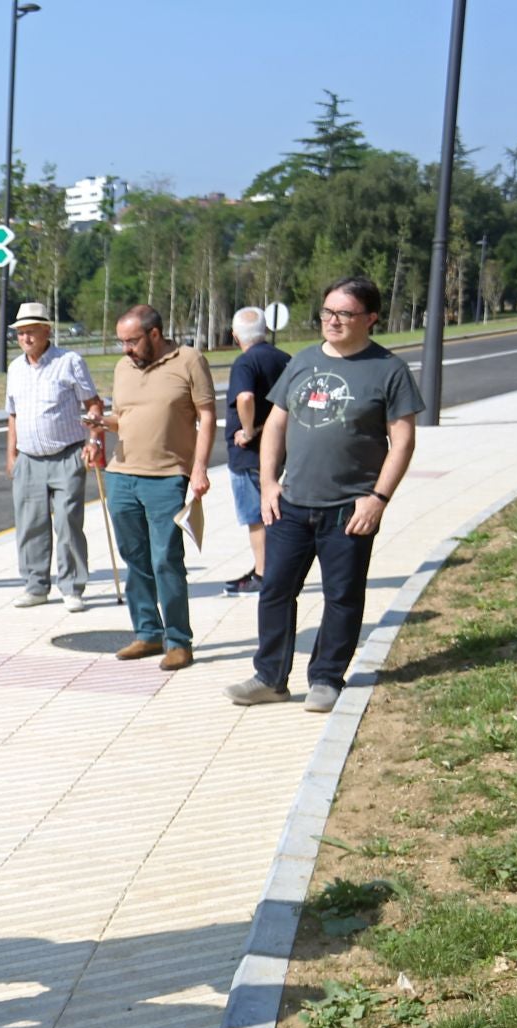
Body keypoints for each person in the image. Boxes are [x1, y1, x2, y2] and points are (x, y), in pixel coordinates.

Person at [226, 275, 421, 715]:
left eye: (344, 313)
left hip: (349, 508)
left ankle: (327, 678)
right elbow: (276, 422)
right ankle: (270, 678)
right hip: (292, 503)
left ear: (370, 318)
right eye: (327, 312)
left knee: (342, 596)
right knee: (274, 590)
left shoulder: (389, 369)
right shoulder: (304, 361)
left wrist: (378, 498)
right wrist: (269, 482)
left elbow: (403, 441)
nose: (332, 321)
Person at [85, 305, 215, 670]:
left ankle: (179, 640)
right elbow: (122, 418)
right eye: (121, 341)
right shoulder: (123, 368)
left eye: (131, 341)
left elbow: (207, 415)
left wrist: (200, 468)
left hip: (168, 476)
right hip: (121, 475)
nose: (125, 348)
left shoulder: (189, 360)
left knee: (165, 560)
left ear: (154, 335)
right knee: (135, 559)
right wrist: (99, 425)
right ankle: (147, 632)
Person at [3, 301, 102, 611]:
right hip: (29, 458)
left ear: (47, 330)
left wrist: (95, 441)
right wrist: (11, 455)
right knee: (29, 523)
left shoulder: (69, 361)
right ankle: (35, 586)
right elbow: (13, 414)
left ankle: (72, 587)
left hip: (67, 453)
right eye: (20, 333)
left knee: (69, 523)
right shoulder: (16, 368)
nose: (26, 338)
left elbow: (94, 405)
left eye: (31, 331)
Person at [222, 307, 292, 597]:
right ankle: (266, 568)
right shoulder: (285, 358)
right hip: (280, 446)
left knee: (256, 515)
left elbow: (246, 397)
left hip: (250, 453)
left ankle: (264, 575)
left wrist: (249, 430)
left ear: (236, 335)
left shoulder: (245, 362)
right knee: (271, 510)